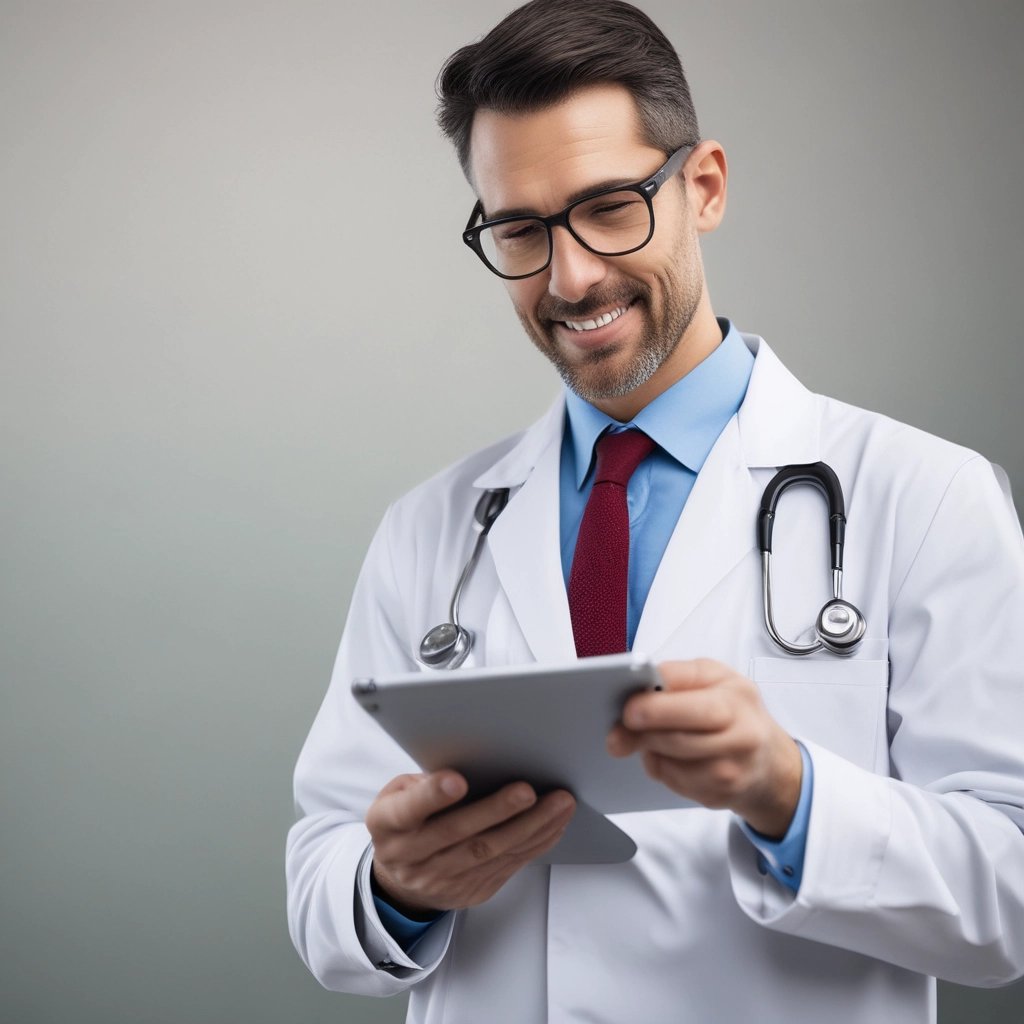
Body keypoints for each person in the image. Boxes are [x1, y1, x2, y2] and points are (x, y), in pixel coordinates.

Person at [285, 2, 1024, 1021]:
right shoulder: (434, 529)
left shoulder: (925, 497)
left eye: (608, 207)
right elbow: (323, 876)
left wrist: (789, 793)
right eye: (520, 229)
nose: (571, 275)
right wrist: (395, 885)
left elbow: (1009, 895)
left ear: (703, 187)